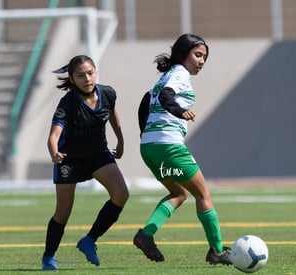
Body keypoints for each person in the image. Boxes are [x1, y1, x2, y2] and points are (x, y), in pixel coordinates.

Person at [134, 34, 232, 265]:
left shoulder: (165, 76)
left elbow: (144, 103)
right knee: (203, 195)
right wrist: (179, 112)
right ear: (183, 53)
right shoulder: (179, 73)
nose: (201, 61)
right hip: (169, 147)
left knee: (179, 193)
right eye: (198, 55)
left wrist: (147, 134)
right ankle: (217, 251)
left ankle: (146, 235)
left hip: (150, 148)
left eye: (204, 57)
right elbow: (168, 97)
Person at [41, 55, 129, 270]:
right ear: (71, 78)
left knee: (121, 194)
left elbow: (113, 116)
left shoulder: (107, 93)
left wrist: (120, 140)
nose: (87, 78)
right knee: (63, 211)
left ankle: (89, 240)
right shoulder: (68, 102)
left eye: (90, 73)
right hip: (70, 159)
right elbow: (54, 135)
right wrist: (54, 152)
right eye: (80, 75)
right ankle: (48, 257)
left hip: (98, 155)